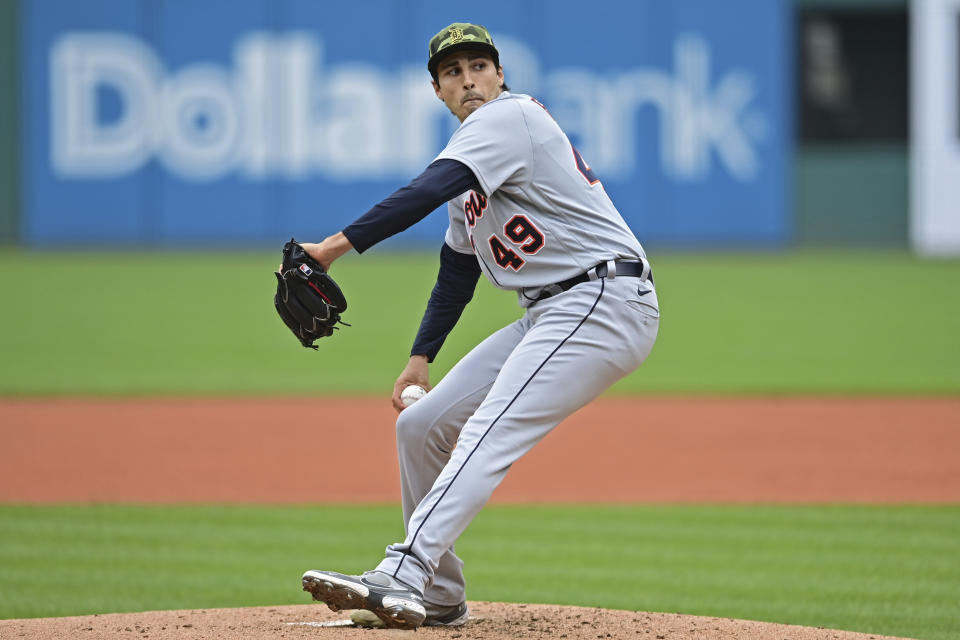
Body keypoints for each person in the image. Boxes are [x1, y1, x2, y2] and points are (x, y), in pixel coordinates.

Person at [300, 22, 660, 630]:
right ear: (438, 90)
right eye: (452, 73)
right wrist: (421, 358)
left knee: (489, 430)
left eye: (478, 68)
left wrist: (332, 248)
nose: (468, 81)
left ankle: (407, 569)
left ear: (500, 75)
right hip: (555, 310)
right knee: (420, 427)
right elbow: (457, 269)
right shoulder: (473, 162)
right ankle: (439, 594)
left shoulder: (510, 119)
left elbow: (423, 188)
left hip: (604, 299)